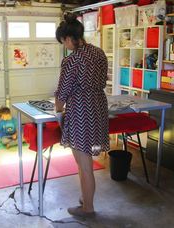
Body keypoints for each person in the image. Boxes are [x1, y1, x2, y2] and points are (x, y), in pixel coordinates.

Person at [54, 13, 110, 218]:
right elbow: (104, 80)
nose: (65, 45)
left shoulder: (72, 60)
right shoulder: (99, 53)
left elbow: (63, 91)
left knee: (84, 163)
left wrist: (58, 109)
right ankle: (85, 197)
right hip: (98, 106)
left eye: (63, 41)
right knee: (87, 157)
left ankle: (88, 208)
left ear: (68, 38)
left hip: (81, 110)